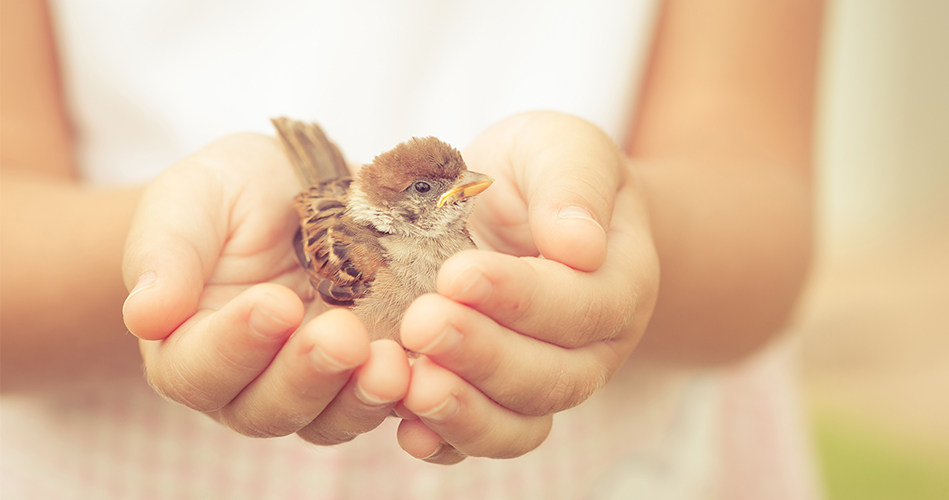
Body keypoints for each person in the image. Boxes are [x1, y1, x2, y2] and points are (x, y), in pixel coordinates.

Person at [1, 0, 823, 498]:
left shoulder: (478, 232)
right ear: (398, 209)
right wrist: (182, 253)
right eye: (436, 193)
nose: (463, 196)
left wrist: (631, 222)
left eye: (459, 185)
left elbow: (756, 189)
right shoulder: (356, 262)